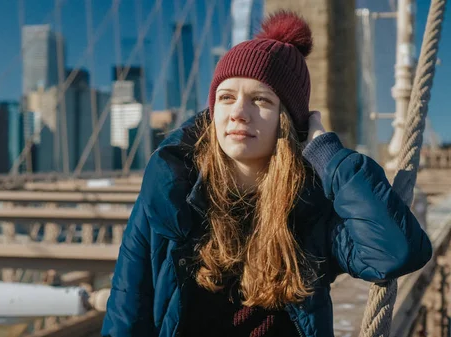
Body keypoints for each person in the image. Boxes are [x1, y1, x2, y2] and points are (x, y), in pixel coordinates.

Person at [101, 10, 432, 337]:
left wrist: (327, 154)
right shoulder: (168, 189)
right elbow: (128, 309)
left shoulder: (313, 205)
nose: (239, 114)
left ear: (287, 121)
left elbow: (394, 253)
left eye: (261, 100)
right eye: (225, 98)